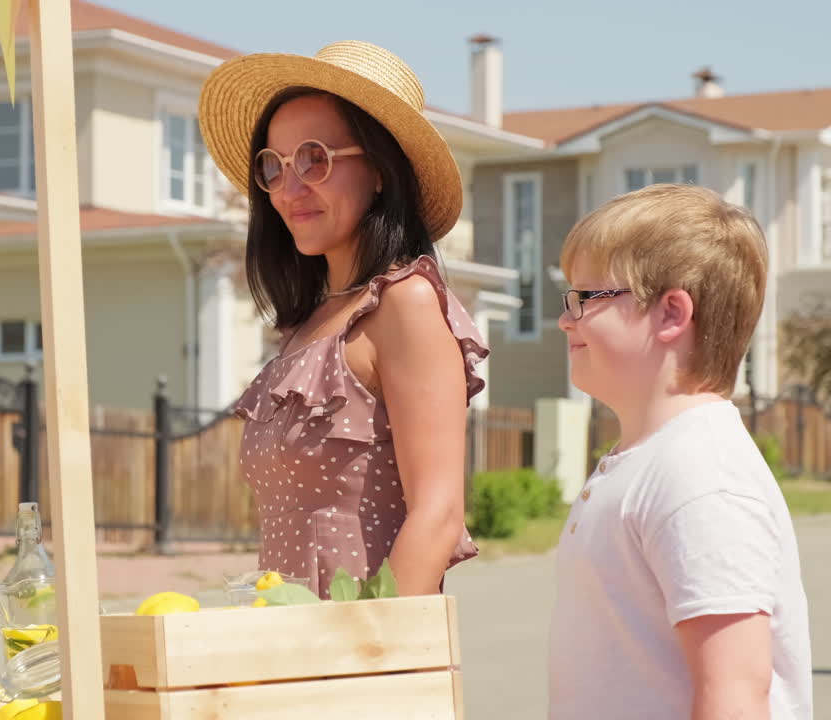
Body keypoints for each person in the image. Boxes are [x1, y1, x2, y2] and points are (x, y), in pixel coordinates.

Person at [199, 41, 486, 599]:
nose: (290, 187)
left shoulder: (406, 304)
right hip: (293, 651)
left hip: (367, 660)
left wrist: (369, 652)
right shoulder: (307, 326)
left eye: (314, 158)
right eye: (273, 166)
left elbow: (439, 513)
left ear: (380, 170)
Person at [548, 184, 812, 719]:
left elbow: (734, 695)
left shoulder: (698, 476)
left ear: (672, 313)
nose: (565, 319)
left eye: (586, 298)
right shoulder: (652, 460)